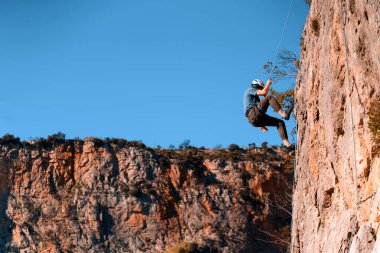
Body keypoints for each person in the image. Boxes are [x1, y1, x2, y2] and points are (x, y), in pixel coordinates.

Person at [244, 79, 294, 147]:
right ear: (256, 86)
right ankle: (283, 114)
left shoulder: (255, 99)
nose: (259, 89)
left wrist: (260, 125)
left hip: (254, 120)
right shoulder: (250, 90)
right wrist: (268, 84)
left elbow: (250, 115)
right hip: (253, 113)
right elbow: (264, 93)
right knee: (269, 97)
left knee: (279, 123)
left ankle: (287, 143)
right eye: (259, 88)